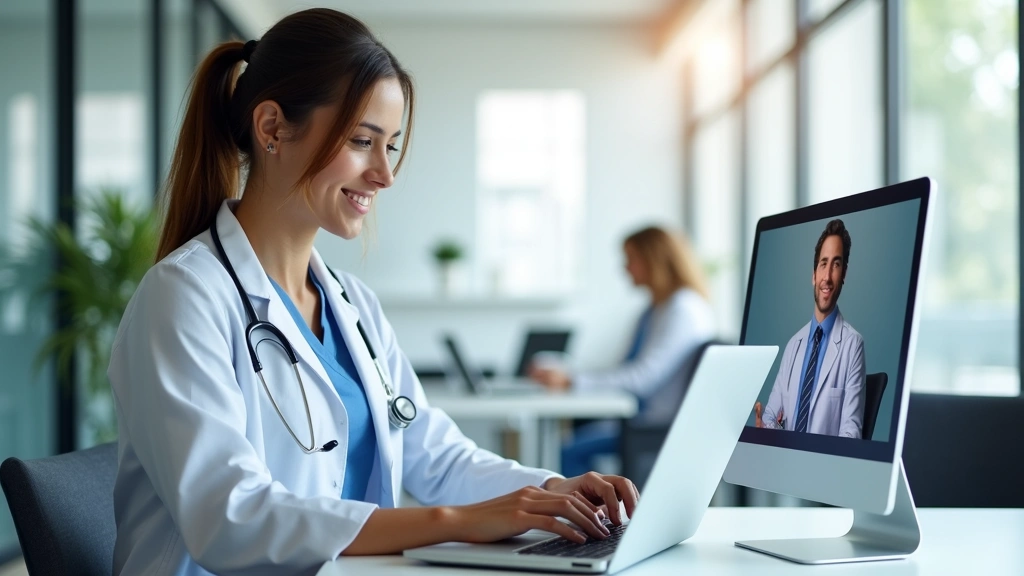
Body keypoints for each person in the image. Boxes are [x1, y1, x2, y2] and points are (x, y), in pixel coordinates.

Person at [108, 9, 638, 575]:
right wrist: (454, 522)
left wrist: (556, 491)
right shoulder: (184, 297)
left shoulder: (351, 304)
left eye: (391, 145)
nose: (384, 174)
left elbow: (434, 456)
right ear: (271, 129)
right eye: (363, 141)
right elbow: (232, 518)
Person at [529, 226, 717, 478]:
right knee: (570, 438)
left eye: (631, 259)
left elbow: (642, 378)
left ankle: (592, 514)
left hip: (659, 425)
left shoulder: (683, 309)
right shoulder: (655, 310)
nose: (625, 268)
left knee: (568, 452)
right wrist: (569, 372)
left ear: (654, 260)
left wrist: (572, 380)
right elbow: (622, 366)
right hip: (638, 416)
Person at [753, 219, 866, 438]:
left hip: (825, 469)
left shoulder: (853, 345)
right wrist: (765, 429)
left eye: (836, 264)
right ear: (813, 275)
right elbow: (771, 415)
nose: (827, 277)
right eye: (823, 264)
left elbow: (851, 434)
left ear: (844, 274)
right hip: (786, 465)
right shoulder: (794, 345)